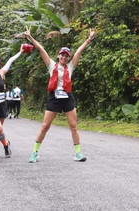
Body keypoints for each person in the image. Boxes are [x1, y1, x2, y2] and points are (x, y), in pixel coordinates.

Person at [24, 26, 95, 163]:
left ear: (68, 58)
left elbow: (79, 51)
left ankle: (78, 153)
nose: (64, 57)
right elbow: (41, 49)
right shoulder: (51, 65)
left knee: (73, 126)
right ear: (58, 55)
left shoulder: (71, 66)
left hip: (67, 97)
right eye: (62, 55)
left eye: (66, 55)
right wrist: (30, 37)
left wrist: (89, 38)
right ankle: (34, 152)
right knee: (45, 126)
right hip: (54, 97)